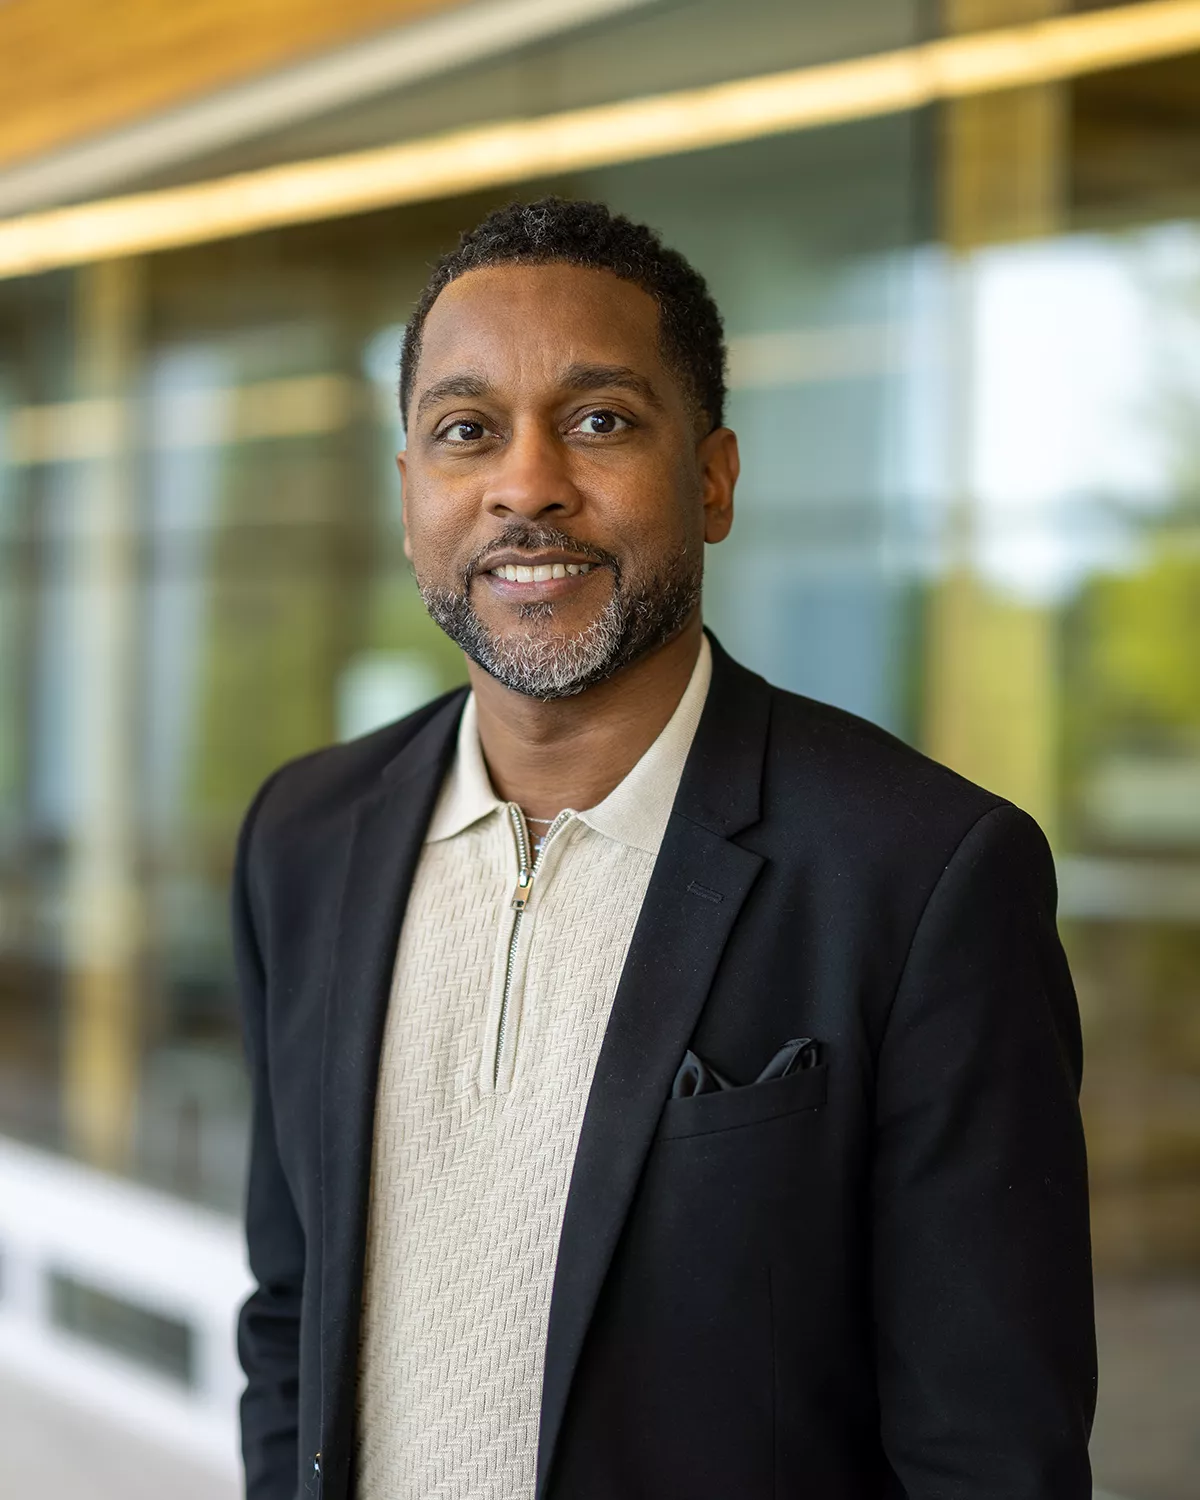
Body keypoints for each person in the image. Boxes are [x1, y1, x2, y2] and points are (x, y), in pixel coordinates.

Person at [233, 197, 1096, 1500]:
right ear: (411, 494)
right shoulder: (303, 836)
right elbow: (288, 1314)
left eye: (600, 421)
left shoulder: (922, 877)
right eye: (466, 432)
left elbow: (990, 1456)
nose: (526, 483)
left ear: (713, 479)